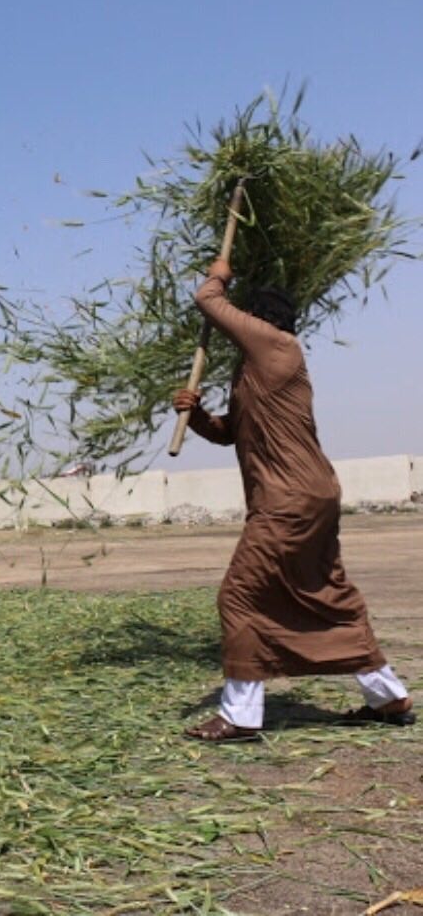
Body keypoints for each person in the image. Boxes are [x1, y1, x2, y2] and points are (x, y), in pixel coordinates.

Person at [173, 258, 414, 742]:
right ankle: (388, 696)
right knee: (327, 593)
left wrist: (220, 273)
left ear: (259, 320)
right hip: (308, 493)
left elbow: (207, 301)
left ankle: (240, 716)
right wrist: (196, 416)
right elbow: (231, 434)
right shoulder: (255, 370)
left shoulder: (276, 345)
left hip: (288, 499)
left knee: (240, 596)